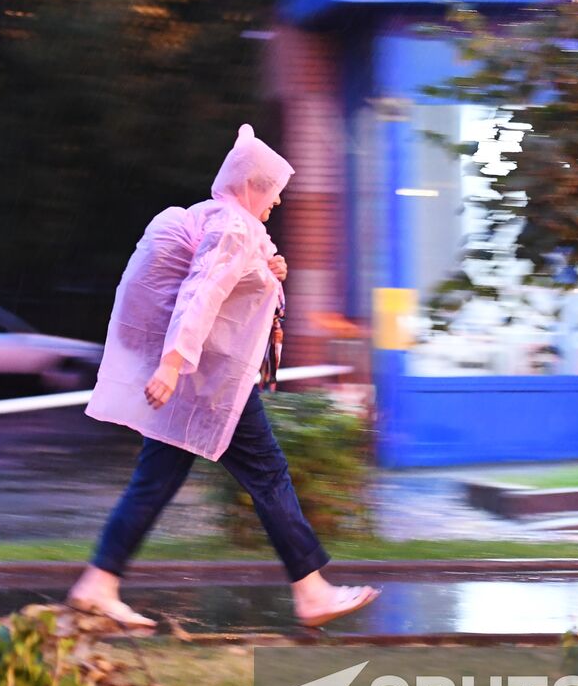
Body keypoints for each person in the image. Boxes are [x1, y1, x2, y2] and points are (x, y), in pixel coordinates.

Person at [68, 124, 380, 629]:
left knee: (156, 481)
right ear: (253, 186)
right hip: (207, 382)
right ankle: (312, 592)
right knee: (268, 473)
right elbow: (203, 291)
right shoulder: (235, 226)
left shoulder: (219, 220)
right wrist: (172, 364)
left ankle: (98, 582)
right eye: (274, 193)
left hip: (197, 380)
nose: (276, 204)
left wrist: (269, 271)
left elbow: (230, 284)